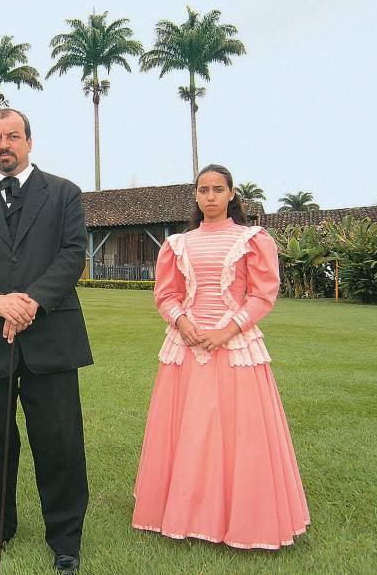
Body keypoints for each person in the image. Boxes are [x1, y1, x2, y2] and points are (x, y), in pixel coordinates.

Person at [132, 164, 310, 549]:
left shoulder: (252, 239)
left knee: (239, 433)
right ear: (195, 196)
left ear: (231, 194)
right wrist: (182, 323)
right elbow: (166, 294)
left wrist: (227, 330)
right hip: (186, 346)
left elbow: (263, 294)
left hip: (235, 347)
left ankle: (242, 517)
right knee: (187, 430)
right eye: (203, 190)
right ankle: (184, 512)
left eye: (217, 189)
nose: (210, 196)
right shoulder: (178, 244)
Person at [0, 109, 93, 575]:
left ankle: (65, 540)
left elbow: (73, 253)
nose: (4, 145)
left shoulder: (64, 193)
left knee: (59, 440)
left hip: (51, 333)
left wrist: (31, 302)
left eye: (12, 136)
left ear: (29, 141)